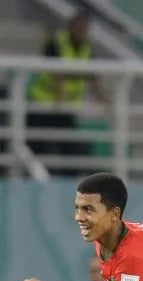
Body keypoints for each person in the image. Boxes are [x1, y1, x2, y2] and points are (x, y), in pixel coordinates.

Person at [27, 11, 105, 168]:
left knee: (69, 149)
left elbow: (92, 76)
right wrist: (59, 99)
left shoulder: (87, 46)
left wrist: (101, 99)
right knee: (37, 147)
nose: (82, 30)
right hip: (42, 105)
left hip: (65, 108)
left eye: (85, 27)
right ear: (71, 26)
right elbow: (57, 74)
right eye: (80, 26)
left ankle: (68, 175)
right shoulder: (56, 41)